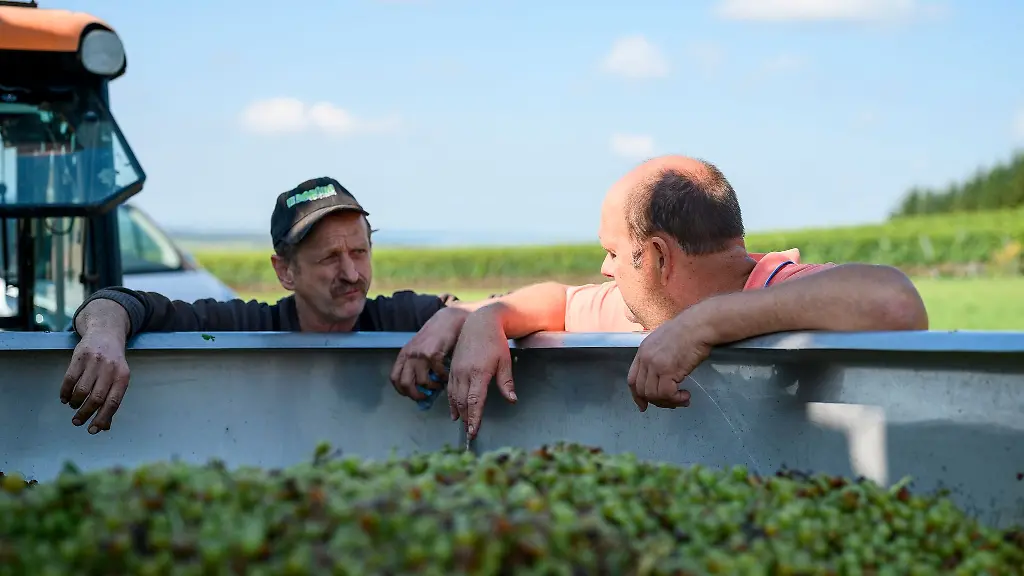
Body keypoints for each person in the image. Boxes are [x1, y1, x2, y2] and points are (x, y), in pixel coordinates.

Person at [440, 155, 929, 439]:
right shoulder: (650, 302)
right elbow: (563, 302)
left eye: (613, 251)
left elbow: (896, 304)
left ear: (656, 257)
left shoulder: (784, 286)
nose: (605, 269)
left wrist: (703, 325)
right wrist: (487, 317)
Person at [61, 177, 485, 435]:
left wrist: (459, 316)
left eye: (359, 252)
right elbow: (120, 302)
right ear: (285, 271)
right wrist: (103, 334)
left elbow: (526, 305)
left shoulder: (408, 319)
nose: (352, 274)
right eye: (328, 259)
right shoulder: (245, 325)